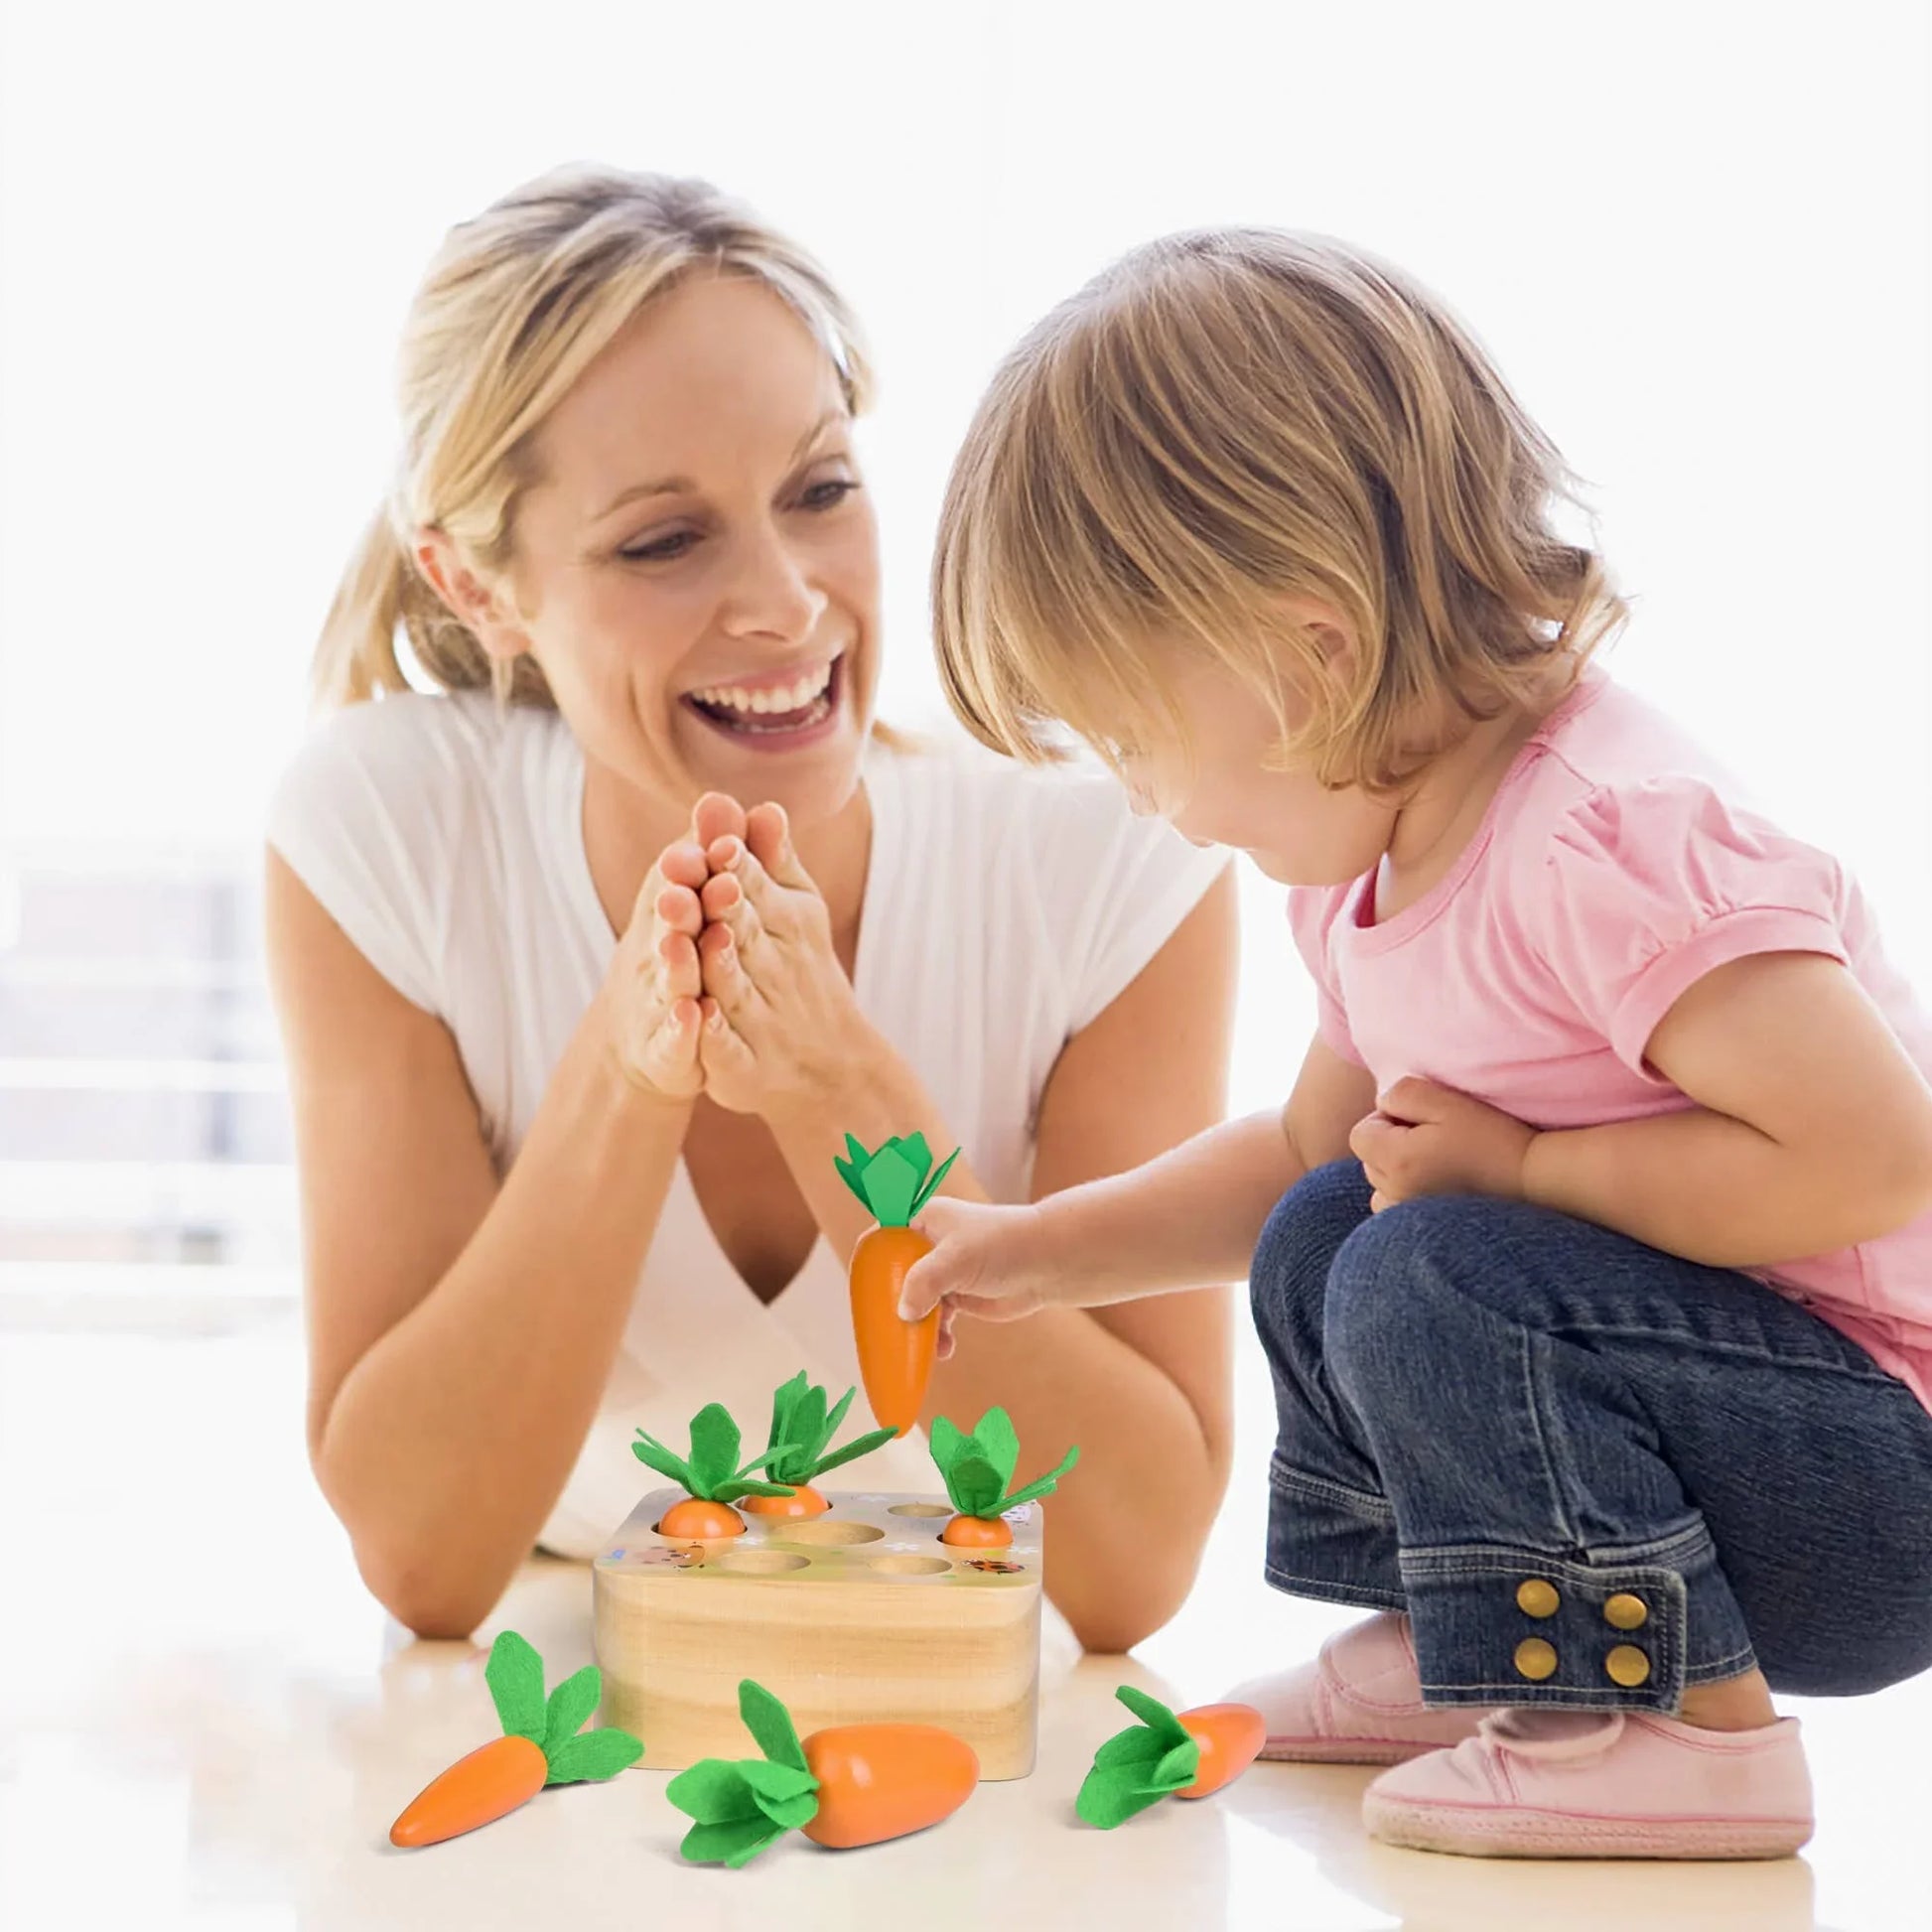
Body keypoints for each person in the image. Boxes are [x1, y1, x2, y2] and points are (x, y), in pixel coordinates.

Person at [901, 225, 1932, 1858]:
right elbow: (1308, 1158)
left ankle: (1703, 1741)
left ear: (1305, 656)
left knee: (1424, 1258)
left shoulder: (1606, 844)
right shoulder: (1367, 874)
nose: (1136, 795)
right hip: (1692, 1428)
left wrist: (1522, 1167)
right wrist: (1041, 1250)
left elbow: (1866, 1152)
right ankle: (1476, 1651)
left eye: (1129, 734)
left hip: (1873, 1473)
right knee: (1342, 1221)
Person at [263, 167, 1238, 1651]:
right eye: (664, 540)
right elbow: (428, 1561)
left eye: (819, 491)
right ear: (478, 586)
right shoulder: (390, 833)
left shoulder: (1103, 849)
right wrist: (631, 1063)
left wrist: (841, 1093)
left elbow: (1126, 1571)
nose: (785, 603)